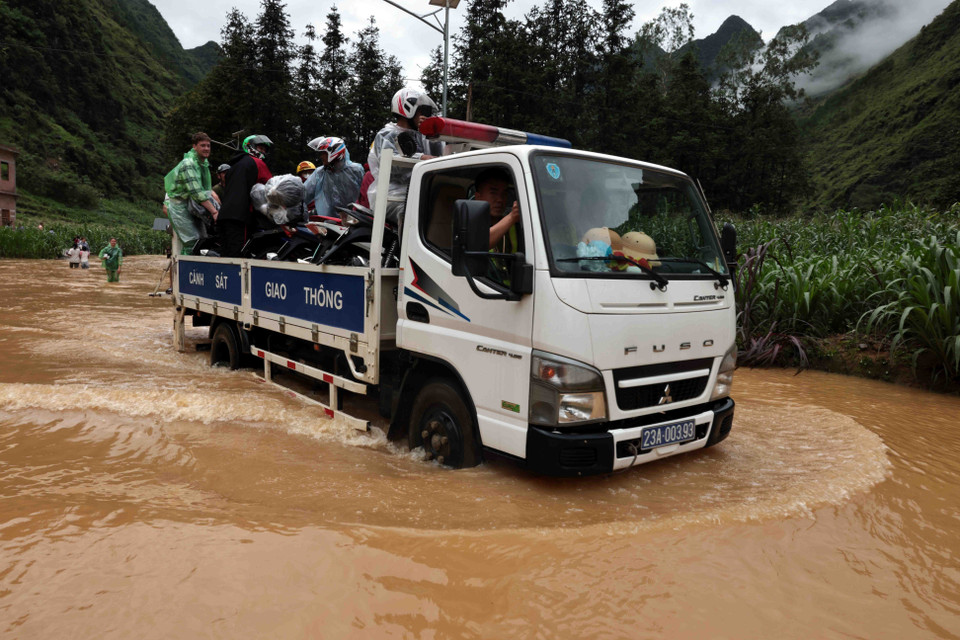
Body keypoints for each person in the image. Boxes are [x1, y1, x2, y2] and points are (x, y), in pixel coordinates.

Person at [366, 88, 443, 223]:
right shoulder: (387, 134)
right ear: (408, 110)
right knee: (409, 215)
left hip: (418, 195)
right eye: (420, 111)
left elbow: (439, 156)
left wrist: (429, 132)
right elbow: (392, 166)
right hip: (392, 197)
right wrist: (420, 157)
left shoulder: (421, 136)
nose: (423, 115)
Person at [163, 132, 219, 255]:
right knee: (192, 242)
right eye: (202, 145)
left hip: (192, 207)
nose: (206, 148)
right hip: (179, 208)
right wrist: (214, 212)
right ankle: (184, 265)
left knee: (202, 241)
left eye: (208, 146)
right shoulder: (189, 164)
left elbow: (206, 191)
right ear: (194, 146)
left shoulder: (202, 164)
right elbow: (197, 192)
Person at [218, 134, 273, 257]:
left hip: (224, 215)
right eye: (260, 148)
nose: (263, 152)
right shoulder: (257, 162)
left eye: (265, 149)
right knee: (238, 256)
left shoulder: (234, 165)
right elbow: (272, 185)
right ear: (250, 146)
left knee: (225, 255)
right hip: (240, 217)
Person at [303, 136, 363, 218]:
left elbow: (365, 194)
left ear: (334, 152)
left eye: (324, 153)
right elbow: (304, 193)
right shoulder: (320, 173)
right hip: (327, 221)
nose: (321, 156)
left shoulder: (356, 170)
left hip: (353, 219)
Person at [472, 168, 520, 252]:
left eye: (504, 194)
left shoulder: (516, 225)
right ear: (478, 197)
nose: (500, 199)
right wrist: (511, 217)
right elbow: (479, 244)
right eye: (493, 193)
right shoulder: (470, 222)